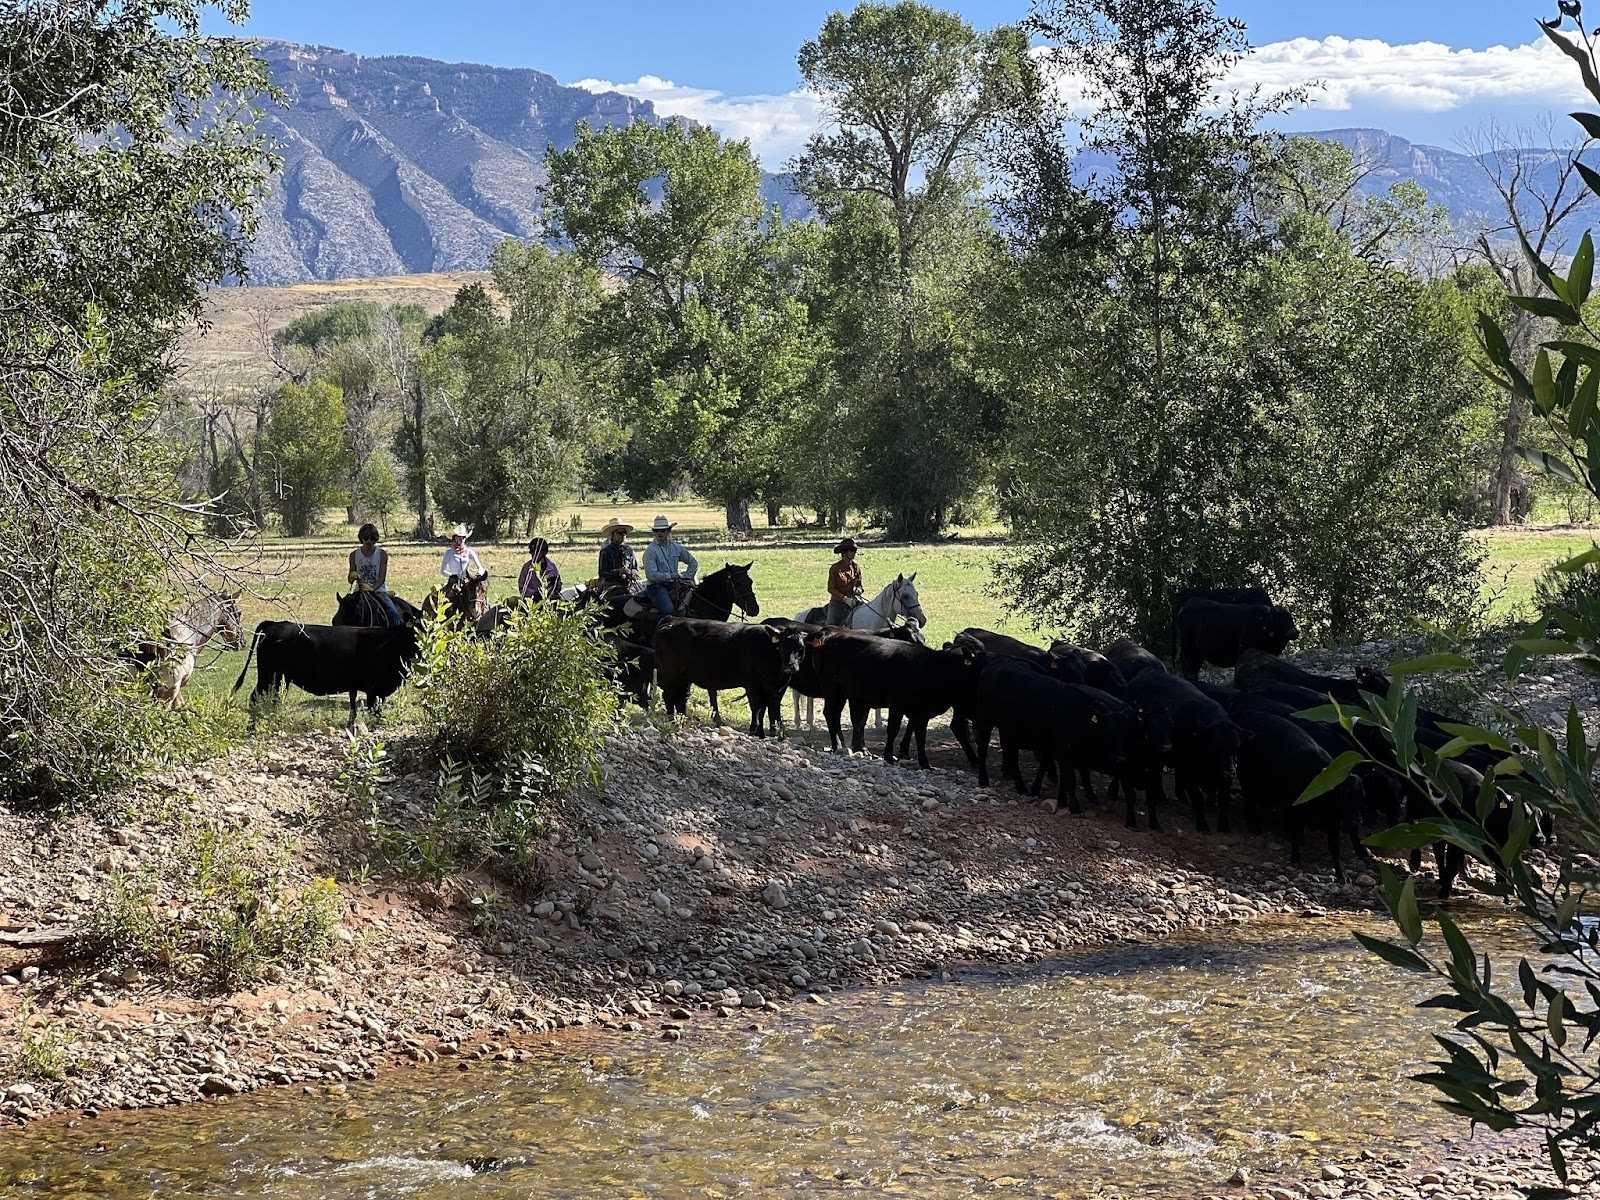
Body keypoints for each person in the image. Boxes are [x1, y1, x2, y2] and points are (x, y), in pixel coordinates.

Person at [348, 523, 404, 626]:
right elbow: (350, 580)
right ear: (361, 539)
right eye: (366, 538)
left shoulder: (382, 554)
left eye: (372, 538)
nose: (369, 541)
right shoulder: (353, 555)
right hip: (358, 591)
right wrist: (352, 576)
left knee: (393, 615)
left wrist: (371, 589)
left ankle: (398, 633)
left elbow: (381, 579)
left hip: (378, 591)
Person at [643, 514, 699, 616]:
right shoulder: (650, 551)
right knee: (669, 611)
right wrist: (670, 576)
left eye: (663, 530)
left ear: (669, 531)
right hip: (656, 586)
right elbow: (651, 575)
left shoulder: (676, 547)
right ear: (653, 532)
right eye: (656, 531)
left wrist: (686, 577)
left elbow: (693, 563)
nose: (660, 533)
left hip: (675, 584)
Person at [825, 537, 864, 626]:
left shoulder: (856, 567)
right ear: (845, 552)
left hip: (854, 601)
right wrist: (845, 599)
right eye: (852, 550)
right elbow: (831, 588)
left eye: (855, 550)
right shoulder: (835, 568)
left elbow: (859, 584)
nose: (854, 552)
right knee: (831, 626)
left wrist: (859, 590)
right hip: (837, 603)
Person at [597, 519, 638, 601]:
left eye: (624, 533)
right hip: (611, 586)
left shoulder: (629, 550)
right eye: (620, 533)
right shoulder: (606, 552)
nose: (623, 535)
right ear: (613, 535)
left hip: (629, 585)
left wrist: (632, 573)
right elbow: (602, 573)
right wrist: (619, 571)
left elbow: (635, 568)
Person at [518, 537, 563, 603]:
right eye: (532, 552)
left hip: (549, 601)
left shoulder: (552, 567)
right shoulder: (527, 567)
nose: (533, 555)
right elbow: (522, 587)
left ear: (544, 552)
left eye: (536, 553)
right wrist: (535, 593)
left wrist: (553, 591)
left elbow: (557, 586)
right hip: (531, 602)